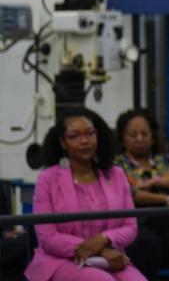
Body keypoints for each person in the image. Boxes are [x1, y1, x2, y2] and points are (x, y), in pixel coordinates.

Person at [24, 107, 146, 281]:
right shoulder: (47, 179)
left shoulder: (116, 174)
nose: (85, 141)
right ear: (62, 142)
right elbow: (47, 237)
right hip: (60, 260)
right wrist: (100, 249)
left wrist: (105, 239)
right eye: (74, 136)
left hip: (110, 259)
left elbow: (130, 227)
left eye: (90, 134)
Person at [114, 109, 169, 280]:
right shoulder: (116, 165)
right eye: (133, 134)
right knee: (145, 243)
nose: (140, 139)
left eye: (144, 133)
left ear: (152, 136)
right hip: (140, 222)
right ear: (122, 139)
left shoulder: (168, 160)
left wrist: (155, 182)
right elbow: (130, 193)